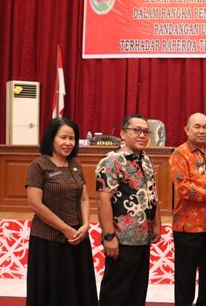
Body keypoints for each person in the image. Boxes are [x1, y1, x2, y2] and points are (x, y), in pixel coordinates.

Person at [25, 118, 98, 306]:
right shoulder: (38, 165)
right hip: (49, 240)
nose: (68, 143)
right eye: (63, 137)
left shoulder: (75, 164)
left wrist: (85, 225)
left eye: (72, 138)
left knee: (78, 289)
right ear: (51, 138)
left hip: (77, 237)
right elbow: (36, 204)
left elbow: (83, 197)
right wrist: (66, 229)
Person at [96, 114, 161, 306]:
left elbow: (153, 194)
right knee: (116, 292)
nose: (142, 135)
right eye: (137, 130)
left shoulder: (146, 159)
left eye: (146, 131)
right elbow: (103, 199)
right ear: (123, 134)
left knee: (137, 291)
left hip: (143, 237)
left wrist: (156, 224)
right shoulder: (112, 160)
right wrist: (109, 237)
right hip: (122, 238)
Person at [169, 112, 206, 306]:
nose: (202, 131)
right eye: (197, 126)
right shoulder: (180, 153)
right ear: (187, 129)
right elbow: (185, 189)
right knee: (185, 279)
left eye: (205, 127)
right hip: (188, 227)